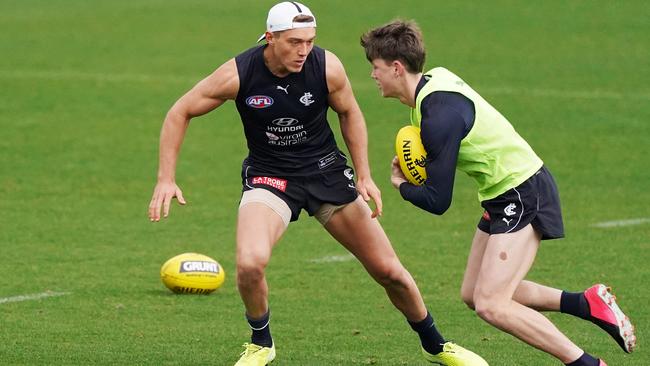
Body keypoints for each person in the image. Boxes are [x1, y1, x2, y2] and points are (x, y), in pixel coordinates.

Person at [148, 3, 488, 365]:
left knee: (391, 272)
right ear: (270, 37)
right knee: (250, 263)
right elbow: (179, 111)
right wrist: (166, 178)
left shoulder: (326, 67)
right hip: (270, 178)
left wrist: (365, 175)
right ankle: (261, 343)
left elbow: (349, 112)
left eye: (309, 41)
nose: (303, 50)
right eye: (294, 41)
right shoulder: (238, 73)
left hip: (326, 174)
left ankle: (435, 345)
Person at [360, 20, 637, 366]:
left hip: (522, 191)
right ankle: (585, 303)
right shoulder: (434, 84)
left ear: (397, 68)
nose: (373, 75)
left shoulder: (438, 116)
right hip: (502, 193)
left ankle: (585, 363)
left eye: (376, 67)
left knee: (492, 303)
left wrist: (402, 185)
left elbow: (437, 201)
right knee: (474, 293)